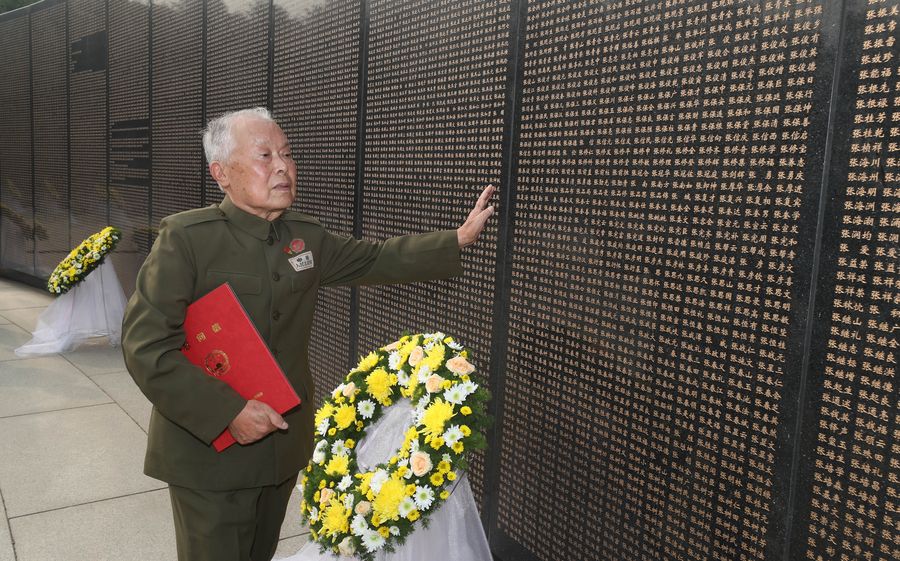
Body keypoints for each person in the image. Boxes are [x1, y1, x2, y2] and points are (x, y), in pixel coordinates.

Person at [121, 106, 495, 561]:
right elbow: (145, 347)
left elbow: (375, 258)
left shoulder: (304, 236)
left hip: (280, 444)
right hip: (207, 452)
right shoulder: (187, 239)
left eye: (287, 153)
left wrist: (456, 239)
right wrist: (228, 411)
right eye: (264, 156)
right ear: (221, 173)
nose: (282, 166)